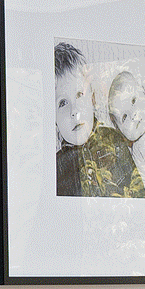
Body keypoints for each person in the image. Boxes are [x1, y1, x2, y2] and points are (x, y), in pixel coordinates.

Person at [53, 43, 93, 196]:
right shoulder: (56, 167)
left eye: (79, 95)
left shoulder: (114, 144)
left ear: (92, 97)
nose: (74, 111)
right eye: (63, 103)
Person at [106, 69, 145, 190]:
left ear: (143, 91)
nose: (133, 115)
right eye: (124, 117)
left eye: (133, 101)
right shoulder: (134, 156)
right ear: (120, 131)